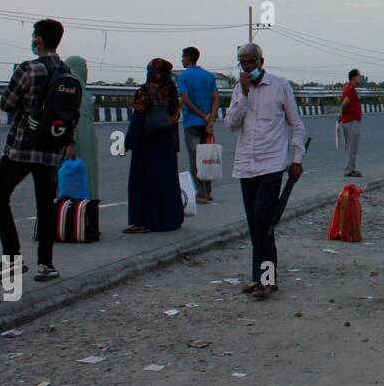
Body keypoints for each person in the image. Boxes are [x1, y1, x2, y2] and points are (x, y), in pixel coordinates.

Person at [0, 18, 69, 282]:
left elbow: (8, 104)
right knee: (45, 206)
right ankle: (46, 265)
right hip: (52, 150)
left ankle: (12, 258)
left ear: (38, 39)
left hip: (21, 149)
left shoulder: (28, 69)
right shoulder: (68, 72)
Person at [227, 42, 307, 300]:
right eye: (243, 62)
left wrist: (297, 159)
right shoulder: (240, 89)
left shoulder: (280, 86)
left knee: (264, 222)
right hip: (246, 166)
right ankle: (260, 278)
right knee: (255, 226)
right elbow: (230, 124)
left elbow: (296, 126)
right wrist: (245, 95)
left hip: (272, 165)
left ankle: (267, 280)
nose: (247, 67)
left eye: (251, 61)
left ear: (261, 61)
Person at [124, 59, 185, 233]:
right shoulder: (171, 92)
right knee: (166, 181)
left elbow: (138, 117)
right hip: (166, 145)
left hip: (147, 144)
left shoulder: (146, 91)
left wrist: (129, 142)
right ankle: (170, 219)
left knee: (144, 182)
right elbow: (173, 121)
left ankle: (144, 221)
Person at [178, 46, 220, 204]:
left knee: (195, 159)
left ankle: (201, 193)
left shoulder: (184, 77)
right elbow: (216, 98)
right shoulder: (209, 76)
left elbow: (186, 100)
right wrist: (210, 119)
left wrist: (202, 115)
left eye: (182, 56)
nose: (181, 59)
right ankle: (208, 192)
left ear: (188, 57)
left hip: (192, 123)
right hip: (207, 124)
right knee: (207, 158)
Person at [63, 55, 99, 202]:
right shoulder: (83, 94)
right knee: (87, 178)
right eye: (84, 68)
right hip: (84, 144)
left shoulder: (66, 88)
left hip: (74, 144)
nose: (86, 72)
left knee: (71, 181)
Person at [339, 68, 364, 177]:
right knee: (351, 146)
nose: (361, 78)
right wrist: (342, 114)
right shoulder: (350, 88)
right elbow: (345, 104)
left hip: (351, 121)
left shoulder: (350, 88)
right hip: (351, 122)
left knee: (351, 146)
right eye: (359, 76)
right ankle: (349, 170)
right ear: (354, 77)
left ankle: (351, 168)